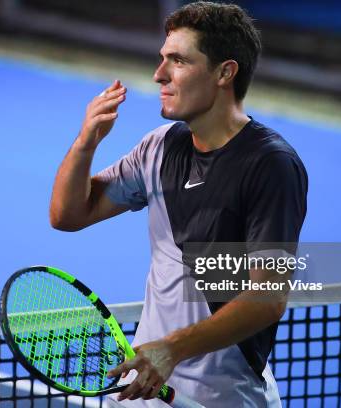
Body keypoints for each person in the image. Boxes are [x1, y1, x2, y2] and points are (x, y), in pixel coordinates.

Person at [49, 2, 307, 406]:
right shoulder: (159, 147)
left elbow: (267, 298)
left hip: (224, 396)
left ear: (225, 72)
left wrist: (172, 348)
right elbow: (68, 215)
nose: (159, 74)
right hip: (147, 387)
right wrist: (86, 142)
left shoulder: (270, 165)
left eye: (179, 61)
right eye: (162, 59)